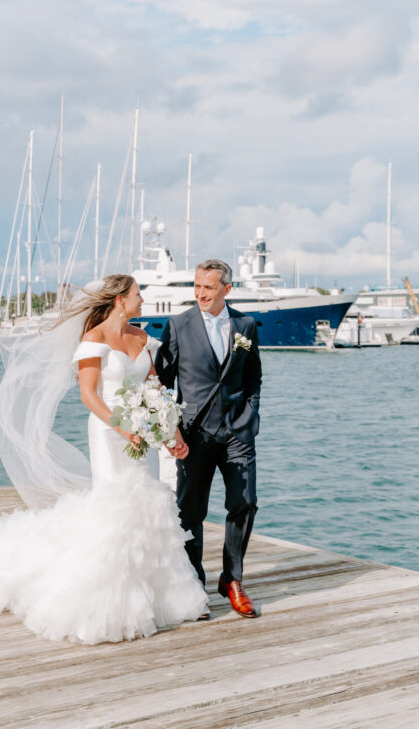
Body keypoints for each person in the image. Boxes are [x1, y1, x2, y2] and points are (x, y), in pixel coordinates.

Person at [0, 275, 208, 644]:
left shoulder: (140, 337)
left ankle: (161, 597)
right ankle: (112, 602)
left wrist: (171, 433)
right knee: (116, 505)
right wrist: (122, 427)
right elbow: (89, 395)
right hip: (110, 432)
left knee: (149, 502)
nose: (143, 299)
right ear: (120, 299)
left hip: (143, 432)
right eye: (138, 294)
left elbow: (155, 388)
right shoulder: (94, 339)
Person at [155, 259, 262, 618]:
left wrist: (251, 415)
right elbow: (162, 383)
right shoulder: (178, 325)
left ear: (226, 289)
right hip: (194, 434)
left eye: (209, 287)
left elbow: (253, 377)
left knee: (244, 502)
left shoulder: (246, 325)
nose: (201, 294)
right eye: (197, 286)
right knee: (191, 511)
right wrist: (170, 429)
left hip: (238, 432)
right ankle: (194, 586)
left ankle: (232, 579)